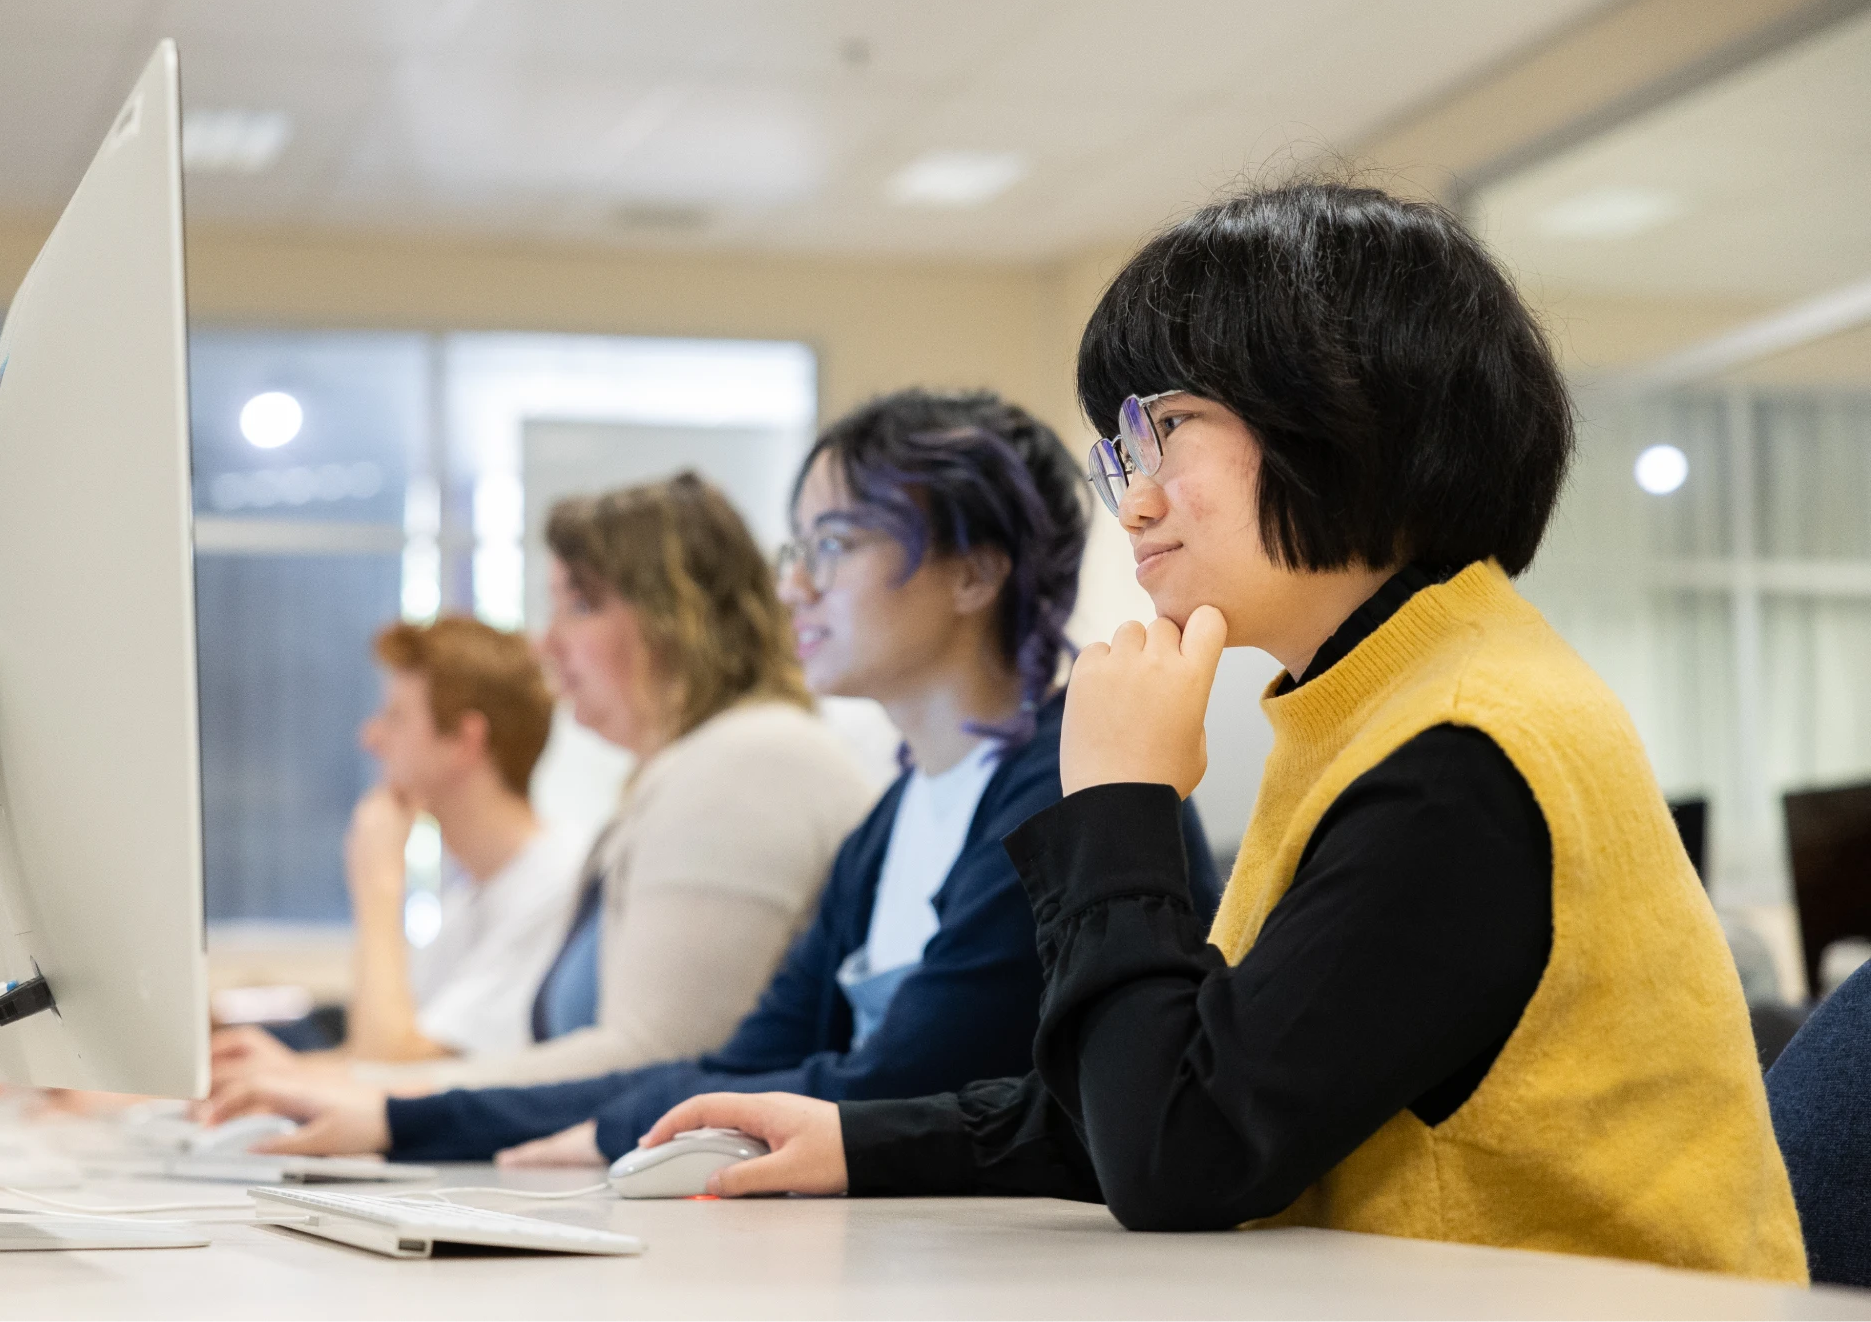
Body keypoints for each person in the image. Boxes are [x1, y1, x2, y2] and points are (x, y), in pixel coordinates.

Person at [638, 183, 1808, 1284]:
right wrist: (862, 1139)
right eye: (1120, 451)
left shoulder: (1465, 747)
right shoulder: (1390, 694)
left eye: (1169, 427)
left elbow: (1178, 1149)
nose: (1133, 500)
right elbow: (1204, 1074)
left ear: (1353, 414)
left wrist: (1117, 802)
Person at [201, 391, 1217, 1161]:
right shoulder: (898, 810)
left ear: (974, 570)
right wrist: (419, 1115)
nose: (797, 585)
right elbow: (742, 1062)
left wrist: (582, 1128)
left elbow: (895, 1076)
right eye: (796, 547)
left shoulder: (1056, 777)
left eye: (836, 541)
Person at [213, 472, 872, 1099]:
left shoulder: (749, 762)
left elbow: (655, 1058)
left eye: (581, 605)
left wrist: (373, 1093)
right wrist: (346, 1086)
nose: (546, 643)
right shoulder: (689, 771)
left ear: (677, 617)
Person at [211, 616, 589, 1069]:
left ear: (465, 742)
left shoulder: (558, 884)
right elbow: (378, 1050)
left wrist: (378, 884)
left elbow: (390, 1066)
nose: (371, 737)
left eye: (396, 718)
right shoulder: (473, 895)